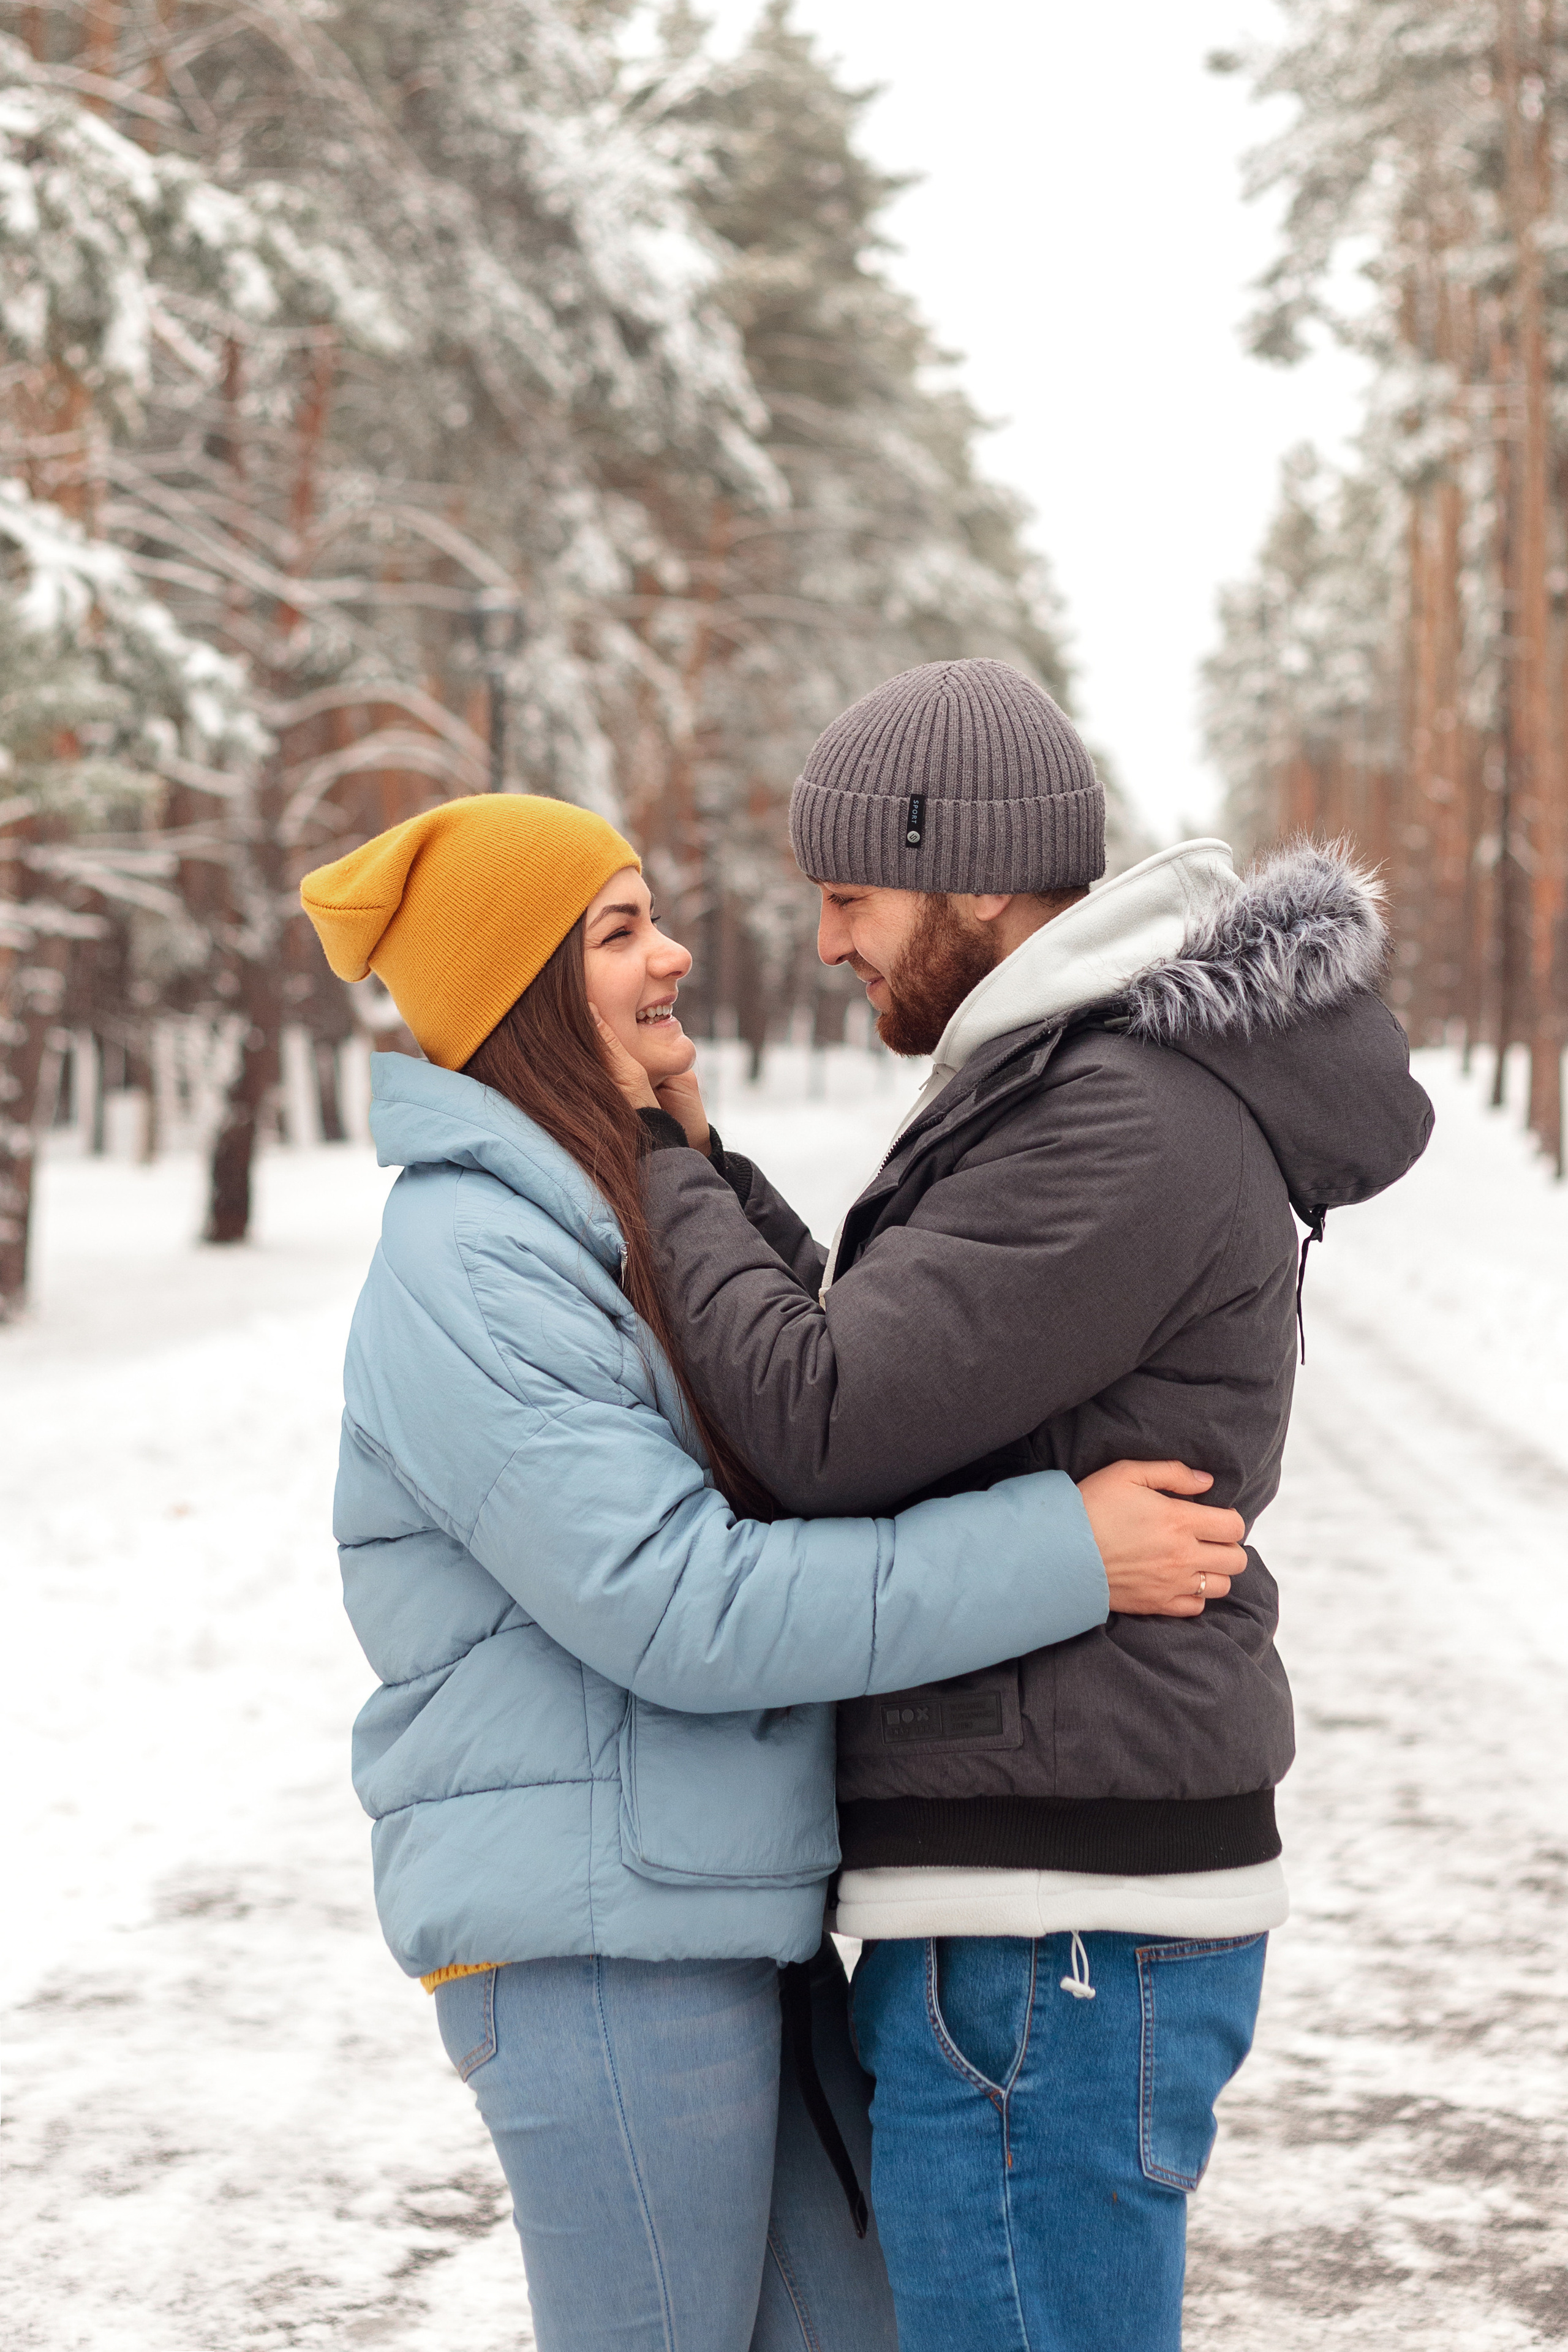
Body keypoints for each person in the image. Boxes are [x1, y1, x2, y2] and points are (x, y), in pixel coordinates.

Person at [298, 790, 1246, 2352]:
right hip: (596, 1948)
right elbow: (687, 1604)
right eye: (617, 933)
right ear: (525, 987)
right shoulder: (467, 1262)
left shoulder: (594, 1221)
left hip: (722, 1917)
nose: (673, 956)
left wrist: (690, 1151)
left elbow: (825, 1397)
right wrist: (1060, 1551)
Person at [596, 659, 1436, 2352]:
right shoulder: (1072, 1085)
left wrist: (659, 1170)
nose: (831, 945)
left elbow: (823, 1419)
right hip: (1039, 1904)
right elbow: (876, 1355)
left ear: (969, 869)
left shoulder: (1113, 1115)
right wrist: (706, 1160)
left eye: (851, 898)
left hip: (1050, 1923)